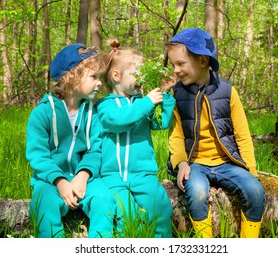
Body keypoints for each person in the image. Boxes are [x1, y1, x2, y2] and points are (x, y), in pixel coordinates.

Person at [166, 28, 265, 238]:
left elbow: (242, 135)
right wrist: (181, 163)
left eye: (181, 64)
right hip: (195, 164)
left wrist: (251, 171)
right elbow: (175, 136)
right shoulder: (176, 94)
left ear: (203, 61)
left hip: (227, 162)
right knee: (198, 192)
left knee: (255, 191)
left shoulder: (227, 92)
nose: (175, 70)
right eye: (174, 64)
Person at [26, 44, 116, 238]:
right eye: (94, 77)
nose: (99, 82)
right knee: (44, 203)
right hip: (50, 180)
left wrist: (83, 175)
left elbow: (95, 149)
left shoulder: (92, 113)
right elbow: (38, 155)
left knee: (104, 198)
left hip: (85, 178)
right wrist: (60, 182)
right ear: (70, 78)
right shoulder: (42, 114)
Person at [96, 39, 175, 238]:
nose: (141, 78)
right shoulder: (106, 105)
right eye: (136, 73)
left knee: (161, 208)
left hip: (143, 174)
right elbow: (118, 121)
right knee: (127, 214)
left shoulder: (143, 103)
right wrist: (147, 103)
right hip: (112, 176)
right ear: (116, 76)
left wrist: (164, 96)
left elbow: (160, 123)